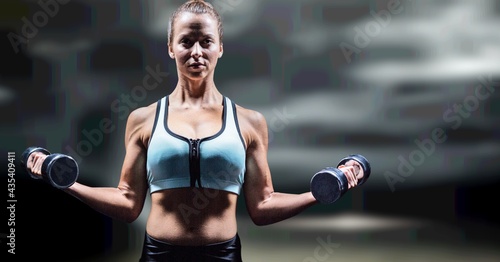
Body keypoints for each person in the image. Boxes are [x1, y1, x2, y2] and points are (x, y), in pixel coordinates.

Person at [26, 0, 364, 261]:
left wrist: (319, 192)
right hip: (159, 255)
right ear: (171, 47)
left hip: (223, 255)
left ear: (220, 47)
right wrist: (66, 182)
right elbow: (129, 202)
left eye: (206, 41)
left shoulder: (249, 122)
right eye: (187, 41)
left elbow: (262, 206)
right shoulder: (143, 119)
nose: (197, 52)